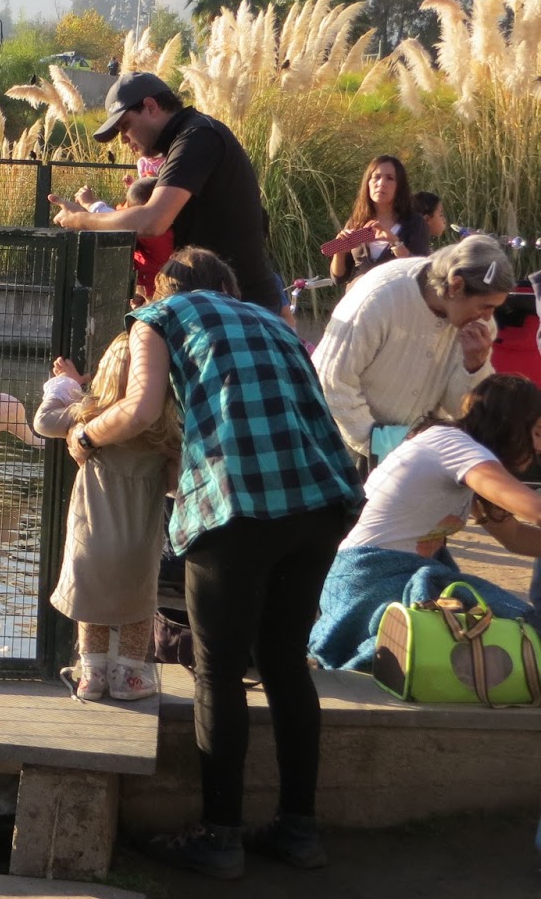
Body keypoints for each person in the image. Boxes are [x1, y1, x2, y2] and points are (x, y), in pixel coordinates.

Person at [69, 246, 360, 879]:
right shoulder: (273, 322)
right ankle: (298, 830)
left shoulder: (161, 315)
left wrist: (85, 434)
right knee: (284, 662)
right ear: (228, 284)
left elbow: (141, 407)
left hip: (240, 505)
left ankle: (218, 837)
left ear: (163, 286)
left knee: (218, 670)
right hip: (321, 500)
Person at [310, 373, 541, 670]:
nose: (538, 446)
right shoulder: (454, 445)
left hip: (380, 577)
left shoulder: (460, 451)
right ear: (510, 426)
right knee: (521, 630)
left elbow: (516, 536)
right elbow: (533, 507)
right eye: (536, 432)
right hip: (369, 577)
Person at [48, 72, 282, 312]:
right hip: (219, 301)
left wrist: (82, 219)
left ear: (150, 107)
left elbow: (153, 221)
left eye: (125, 125)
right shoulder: (192, 135)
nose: (123, 140)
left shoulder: (198, 136)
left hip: (235, 308)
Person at [34, 337, 177, 702]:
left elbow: (43, 421)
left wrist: (66, 386)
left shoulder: (90, 414)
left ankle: (92, 676)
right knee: (139, 607)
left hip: (91, 538)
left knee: (91, 604)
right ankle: (128, 677)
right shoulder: (163, 429)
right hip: (139, 543)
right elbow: (177, 484)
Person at [313, 235, 511, 464]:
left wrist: (475, 366)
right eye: (485, 306)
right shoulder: (380, 297)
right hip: (340, 453)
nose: (488, 317)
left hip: (414, 453)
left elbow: (459, 410)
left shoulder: (480, 326)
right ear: (456, 286)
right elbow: (331, 381)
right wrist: (382, 444)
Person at [328, 156, 429, 286]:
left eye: (390, 178)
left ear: (399, 187)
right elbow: (338, 278)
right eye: (376, 177)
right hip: (359, 299)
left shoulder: (414, 223)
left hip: (394, 301)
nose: (381, 183)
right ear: (368, 183)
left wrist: (394, 242)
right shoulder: (356, 221)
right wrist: (339, 251)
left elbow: (422, 273)